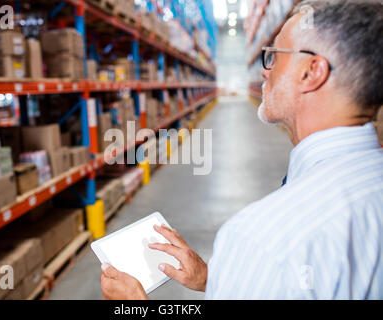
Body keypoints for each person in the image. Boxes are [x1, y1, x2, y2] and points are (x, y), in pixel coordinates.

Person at [100, 0, 383, 300]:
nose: (264, 72)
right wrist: (217, 280)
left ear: (311, 72)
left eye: (274, 56)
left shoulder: (261, 240)